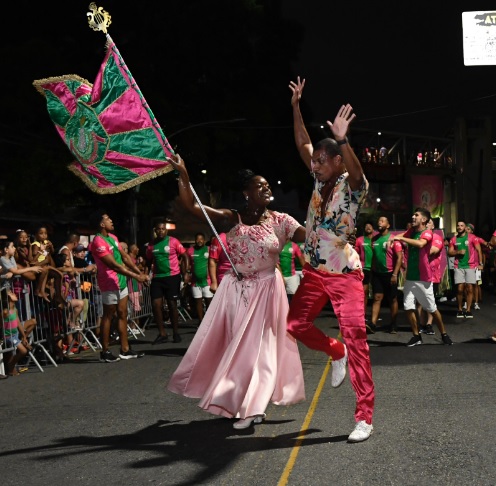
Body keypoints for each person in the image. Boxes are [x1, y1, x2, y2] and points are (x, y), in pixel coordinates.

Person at [167, 155, 306, 430]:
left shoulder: (282, 221)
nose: (267, 189)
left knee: (260, 349)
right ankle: (243, 399)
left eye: (268, 186)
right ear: (246, 193)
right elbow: (191, 205)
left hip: (268, 289)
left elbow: (307, 234)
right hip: (236, 290)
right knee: (238, 348)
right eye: (260, 186)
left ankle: (252, 408)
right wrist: (183, 174)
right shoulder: (232, 218)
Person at [287, 76, 374, 442]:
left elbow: (356, 172)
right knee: (295, 325)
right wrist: (295, 107)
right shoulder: (317, 179)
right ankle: (332, 350)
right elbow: (305, 143)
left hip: (344, 274)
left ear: (337, 160)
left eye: (323, 161)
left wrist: (342, 139)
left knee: (356, 337)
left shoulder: (351, 186)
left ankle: (364, 416)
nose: (316, 165)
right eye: (316, 162)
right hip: (313, 272)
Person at [89, 210, 148, 362]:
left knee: (123, 314)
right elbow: (114, 265)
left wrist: (138, 272)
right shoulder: (98, 241)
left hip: (121, 281)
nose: (112, 221)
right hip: (108, 282)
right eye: (108, 219)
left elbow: (125, 258)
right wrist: (136, 276)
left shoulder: (113, 238)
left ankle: (125, 349)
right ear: (102, 224)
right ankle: (105, 350)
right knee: (108, 315)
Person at [393, 208, 453, 347]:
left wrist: (400, 238)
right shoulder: (412, 232)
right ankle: (416, 335)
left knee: (431, 308)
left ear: (424, 220)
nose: (413, 216)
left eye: (417, 215)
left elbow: (421, 244)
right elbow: (403, 235)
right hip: (411, 277)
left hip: (423, 278)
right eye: (413, 214)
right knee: (408, 306)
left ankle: (444, 334)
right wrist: (394, 238)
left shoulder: (427, 233)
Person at [146, 219, 190, 344]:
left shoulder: (173, 241)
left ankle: (176, 332)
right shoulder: (151, 244)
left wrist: (186, 273)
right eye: (158, 229)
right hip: (157, 278)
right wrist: (144, 275)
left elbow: (185, 255)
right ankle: (162, 333)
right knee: (156, 305)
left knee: (172, 304)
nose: (160, 231)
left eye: (163, 229)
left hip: (172, 276)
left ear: (166, 230)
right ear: (155, 231)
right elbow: (148, 261)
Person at [368, 216, 403, 334]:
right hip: (377, 274)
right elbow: (374, 257)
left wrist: (395, 274)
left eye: (382, 221)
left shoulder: (393, 239)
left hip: (390, 274)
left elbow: (399, 258)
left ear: (388, 225)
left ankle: (394, 324)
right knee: (377, 298)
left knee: (392, 299)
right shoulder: (374, 239)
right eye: (378, 221)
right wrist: (373, 271)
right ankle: (373, 324)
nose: (379, 222)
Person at [448, 221, 483, 319]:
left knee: (470, 288)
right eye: (458, 226)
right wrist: (458, 251)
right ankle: (459, 309)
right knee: (459, 289)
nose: (459, 227)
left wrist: (481, 264)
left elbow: (479, 250)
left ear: (465, 227)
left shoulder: (472, 237)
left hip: (470, 266)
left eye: (461, 226)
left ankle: (468, 310)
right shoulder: (454, 239)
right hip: (458, 266)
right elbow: (449, 252)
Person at [418, 218, 444, 335]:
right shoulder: (418, 237)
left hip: (431, 274)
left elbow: (432, 251)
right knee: (419, 301)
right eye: (425, 222)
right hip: (418, 274)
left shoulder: (437, 238)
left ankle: (429, 324)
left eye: (429, 222)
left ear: (433, 227)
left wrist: (418, 246)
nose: (426, 224)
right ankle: (421, 324)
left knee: (429, 301)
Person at [2, 291, 36, 376]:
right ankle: (11, 365)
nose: (14, 294)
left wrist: (24, 337)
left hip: (15, 333)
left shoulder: (14, 309)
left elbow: (18, 323)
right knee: (23, 351)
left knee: (33, 322)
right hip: (9, 336)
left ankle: (21, 341)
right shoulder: (5, 312)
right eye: (11, 293)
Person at [186, 232, 213, 324]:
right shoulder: (190, 251)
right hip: (195, 282)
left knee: (209, 301)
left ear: (204, 240)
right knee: (198, 302)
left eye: (201, 239)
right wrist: (186, 272)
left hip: (207, 281)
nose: (199, 241)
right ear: (195, 240)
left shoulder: (209, 249)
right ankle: (201, 322)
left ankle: (210, 321)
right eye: (197, 239)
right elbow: (185, 262)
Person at [355, 222, 374, 319]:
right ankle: (363, 314)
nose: (368, 227)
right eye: (366, 226)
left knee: (378, 293)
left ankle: (374, 315)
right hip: (364, 269)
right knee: (364, 292)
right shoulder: (359, 240)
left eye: (370, 226)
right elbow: (354, 255)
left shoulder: (377, 239)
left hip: (376, 269)